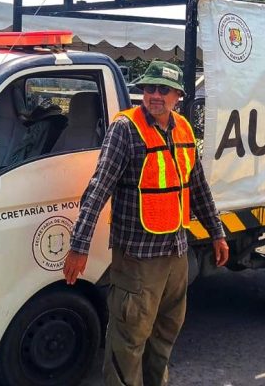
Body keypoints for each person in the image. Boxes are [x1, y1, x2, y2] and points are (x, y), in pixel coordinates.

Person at [63, 60, 229, 386]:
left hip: (176, 253)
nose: (155, 95)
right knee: (128, 340)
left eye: (163, 90)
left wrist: (217, 233)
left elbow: (197, 187)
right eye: (150, 88)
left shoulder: (183, 129)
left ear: (178, 96)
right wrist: (79, 246)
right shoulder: (125, 130)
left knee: (166, 333)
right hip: (137, 259)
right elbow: (98, 189)